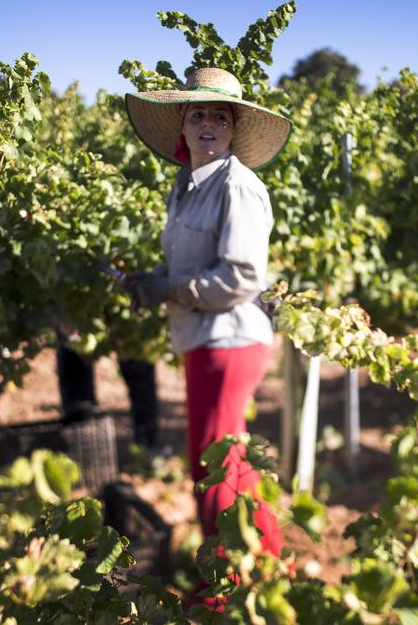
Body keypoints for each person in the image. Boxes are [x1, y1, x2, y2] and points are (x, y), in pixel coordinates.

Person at [122, 67, 291, 558]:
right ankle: (268, 561)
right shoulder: (189, 184)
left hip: (230, 341)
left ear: (234, 128)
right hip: (203, 337)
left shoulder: (237, 186)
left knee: (213, 466)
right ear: (183, 124)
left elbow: (241, 277)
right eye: (198, 114)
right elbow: (191, 261)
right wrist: (150, 280)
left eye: (220, 116)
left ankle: (223, 589)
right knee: (227, 462)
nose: (208, 124)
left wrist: (167, 288)